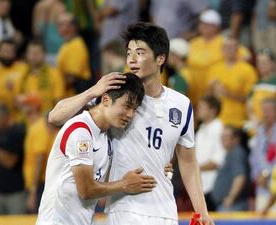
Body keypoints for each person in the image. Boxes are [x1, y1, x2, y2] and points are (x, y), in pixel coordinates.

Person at [48, 22, 214, 225]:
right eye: (129, 53)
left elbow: (188, 161)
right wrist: (92, 91)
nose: (132, 60)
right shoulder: (114, 90)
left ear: (160, 58)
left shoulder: (181, 105)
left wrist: (202, 211)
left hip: (166, 210)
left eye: (141, 53)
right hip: (125, 209)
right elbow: (55, 117)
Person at [36, 73, 157, 224]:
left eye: (134, 109)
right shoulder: (80, 131)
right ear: (105, 99)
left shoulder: (106, 135)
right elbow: (86, 190)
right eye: (126, 106)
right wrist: (124, 184)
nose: (130, 114)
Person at [211, 126, 249, 211]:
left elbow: (240, 177)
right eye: (222, 137)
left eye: (226, 137)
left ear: (236, 139)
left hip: (233, 205)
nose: (222, 140)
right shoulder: (230, 153)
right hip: (228, 205)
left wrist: (231, 197)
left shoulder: (236, 153)